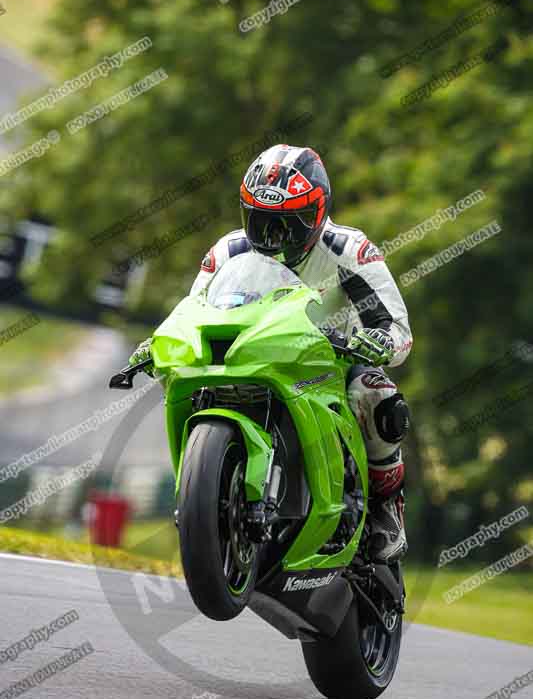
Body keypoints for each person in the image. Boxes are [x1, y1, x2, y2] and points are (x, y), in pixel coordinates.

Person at [131, 145, 412, 562]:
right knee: (181, 377)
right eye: (259, 222)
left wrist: (380, 341)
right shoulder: (227, 251)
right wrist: (156, 345)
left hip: (329, 364)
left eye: (286, 226)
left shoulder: (349, 250)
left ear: (316, 216)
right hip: (252, 356)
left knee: (377, 396)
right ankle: (206, 498)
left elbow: (396, 327)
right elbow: (191, 311)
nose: (271, 238)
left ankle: (387, 509)